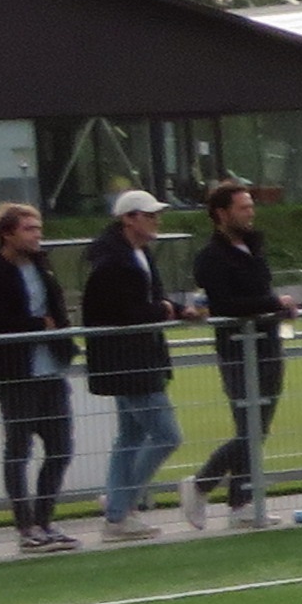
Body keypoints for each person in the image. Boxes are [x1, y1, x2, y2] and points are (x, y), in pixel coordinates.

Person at [82, 187, 193, 540]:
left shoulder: (136, 254)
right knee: (166, 435)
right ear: (128, 219)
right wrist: (163, 309)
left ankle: (118, 507)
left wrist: (177, 309)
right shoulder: (112, 262)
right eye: (150, 215)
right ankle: (119, 506)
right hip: (129, 360)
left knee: (130, 437)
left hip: (140, 357)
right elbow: (120, 312)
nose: (157, 221)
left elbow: (152, 300)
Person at [0, 202, 78, 551]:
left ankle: (45, 519)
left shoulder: (42, 267)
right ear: (7, 234)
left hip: (51, 368)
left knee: (60, 447)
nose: (36, 235)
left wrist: (61, 334)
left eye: (38, 229)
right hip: (16, 371)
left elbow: (57, 311)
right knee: (19, 448)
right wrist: (37, 324)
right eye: (29, 229)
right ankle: (25, 525)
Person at [193, 180, 295, 515]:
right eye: (243, 207)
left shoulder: (253, 247)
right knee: (249, 427)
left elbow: (259, 292)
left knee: (258, 427)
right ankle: (202, 483)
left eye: (251, 206)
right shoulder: (211, 257)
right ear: (222, 213)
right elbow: (224, 304)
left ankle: (240, 502)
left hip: (267, 343)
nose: (251, 213)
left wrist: (276, 307)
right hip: (237, 349)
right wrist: (273, 303)